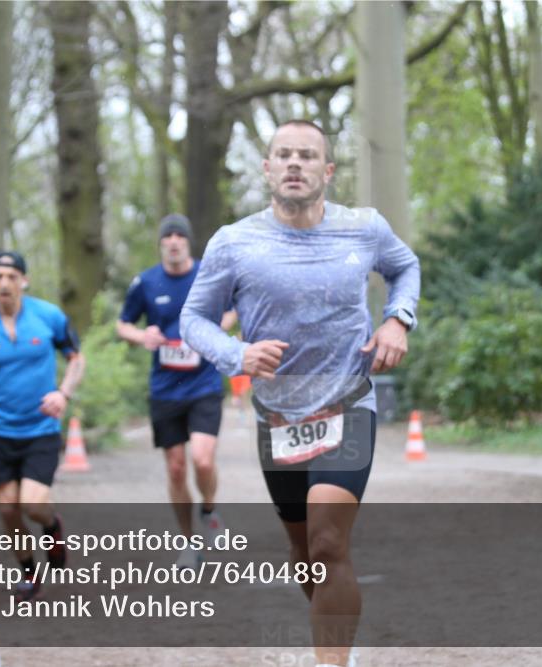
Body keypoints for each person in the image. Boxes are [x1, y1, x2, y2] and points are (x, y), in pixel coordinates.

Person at [180, 120, 420, 667]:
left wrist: (397, 320)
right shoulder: (234, 242)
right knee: (304, 553)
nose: (294, 163)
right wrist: (236, 354)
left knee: (329, 543)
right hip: (278, 418)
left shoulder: (364, 228)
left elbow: (405, 268)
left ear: (327, 171)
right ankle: (338, 641)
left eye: (307, 156)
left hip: (347, 402)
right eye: (283, 154)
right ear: (266, 168)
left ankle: (329, 661)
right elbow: (193, 319)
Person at [0, 250, 84, 602]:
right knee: (8, 508)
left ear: (24, 281)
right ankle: (28, 571)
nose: (4, 283)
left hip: (40, 429)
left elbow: (76, 358)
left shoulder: (48, 316)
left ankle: (51, 526)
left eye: (11, 276)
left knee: (33, 505)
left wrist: (63, 394)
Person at [116, 214, 236, 569]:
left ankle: (210, 508)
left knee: (201, 458)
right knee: (175, 468)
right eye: (166, 236)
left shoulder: (207, 273)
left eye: (179, 236)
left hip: (203, 383)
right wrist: (142, 336)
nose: (173, 241)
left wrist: (211, 329)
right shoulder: (147, 282)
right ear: (161, 244)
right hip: (165, 387)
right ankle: (188, 544)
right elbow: (124, 324)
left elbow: (231, 311)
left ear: (188, 242)